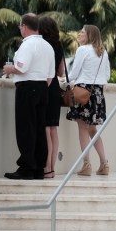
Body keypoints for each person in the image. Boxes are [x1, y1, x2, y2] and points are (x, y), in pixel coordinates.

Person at [2, 14, 55, 180]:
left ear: (24, 26)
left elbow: (21, 68)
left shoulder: (28, 44)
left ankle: (26, 168)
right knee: (39, 129)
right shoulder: (48, 46)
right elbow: (50, 76)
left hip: (27, 88)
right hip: (42, 88)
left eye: (20, 26)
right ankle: (39, 168)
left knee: (26, 129)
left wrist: (9, 69)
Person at [67, 24, 110, 176]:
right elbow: (107, 75)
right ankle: (104, 163)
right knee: (93, 129)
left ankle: (86, 164)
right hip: (97, 92)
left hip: (83, 91)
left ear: (89, 35)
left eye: (82, 32)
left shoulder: (82, 50)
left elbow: (73, 74)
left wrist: (64, 80)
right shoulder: (103, 52)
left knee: (83, 129)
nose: (79, 34)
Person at [38, 16, 65, 179]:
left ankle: (46, 167)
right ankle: (52, 168)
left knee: (46, 129)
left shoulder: (42, 45)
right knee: (53, 129)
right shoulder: (58, 45)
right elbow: (61, 72)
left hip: (45, 85)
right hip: (55, 87)